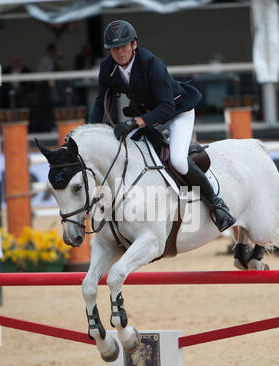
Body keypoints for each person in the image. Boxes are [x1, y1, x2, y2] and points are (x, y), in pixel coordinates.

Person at [88, 20, 236, 232]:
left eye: (123, 46)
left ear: (134, 45)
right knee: (126, 153)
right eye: (114, 48)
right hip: (148, 115)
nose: (119, 52)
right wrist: (89, 134)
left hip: (177, 112)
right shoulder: (107, 67)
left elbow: (166, 108)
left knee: (177, 160)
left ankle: (217, 204)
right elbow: (100, 104)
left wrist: (135, 122)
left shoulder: (151, 63)